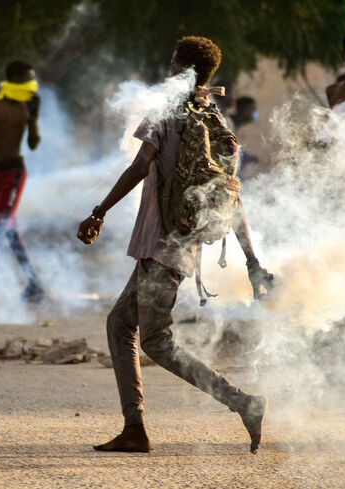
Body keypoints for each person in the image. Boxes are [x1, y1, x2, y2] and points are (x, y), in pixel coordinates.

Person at [77, 36, 271, 454]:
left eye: (172, 64)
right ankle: (134, 429)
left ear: (182, 70)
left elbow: (140, 165)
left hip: (160, 250)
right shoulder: (214, 119)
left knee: (156, 341)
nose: (166, 72)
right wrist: (252, 260)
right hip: (181, 249)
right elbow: (232, 198)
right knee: (118, 323)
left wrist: (99, 211)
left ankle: (242, 402)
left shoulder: (166, 112)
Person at [0, 60, 45, 304]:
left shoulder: (31, 102)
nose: (32, 84)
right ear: (13, 79)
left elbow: (33, 144)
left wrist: (33, 118)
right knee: (7, 229)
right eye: (27, 79)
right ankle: (34, 284)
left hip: (15, 171)